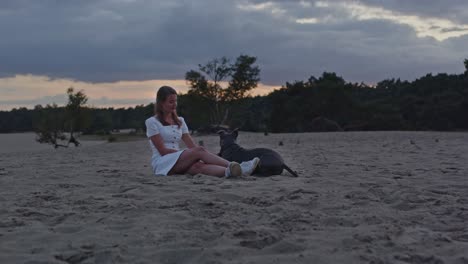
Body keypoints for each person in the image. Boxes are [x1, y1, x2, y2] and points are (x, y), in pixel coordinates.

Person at [145, 86, 260, 177]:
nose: (174, 105)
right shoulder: (152, 122)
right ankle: (241, 166)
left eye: (175, 101)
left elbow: (191, 145)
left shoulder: (180, 121)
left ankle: (231, 171)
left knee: (198, 167)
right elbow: (163, 151)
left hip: (178, 160)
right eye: (171, 102)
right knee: (199, 150)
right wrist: (189, 154)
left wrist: (195, 156)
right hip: (162, 162)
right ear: (161, 103)